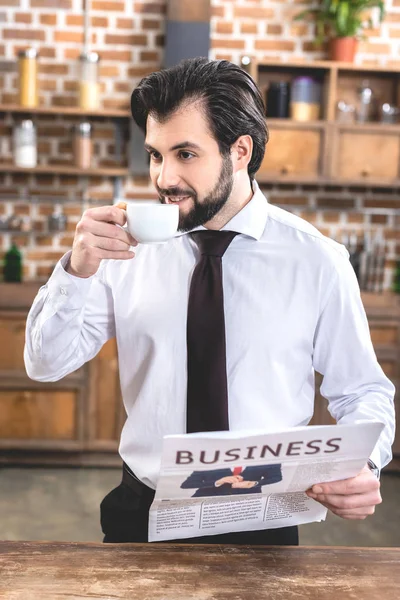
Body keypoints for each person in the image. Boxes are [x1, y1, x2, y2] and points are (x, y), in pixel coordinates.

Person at [24, 57, 395, 546]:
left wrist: (364, 463)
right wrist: (76, 271)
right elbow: (45, 364)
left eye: (185, 154)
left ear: (239, 151)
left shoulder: (318, 261)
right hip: (144, 510)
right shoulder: (119, 251)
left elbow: (362, 390)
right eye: (156, 155)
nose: (164, 178)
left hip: (266, 515)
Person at [180, 465, 282, 497]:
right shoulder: (208, 460)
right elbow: (186, 484)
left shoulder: (266, 459)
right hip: (208, 505)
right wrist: (217, 482)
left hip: (247, 506)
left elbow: (276, 477)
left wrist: (255, 483)